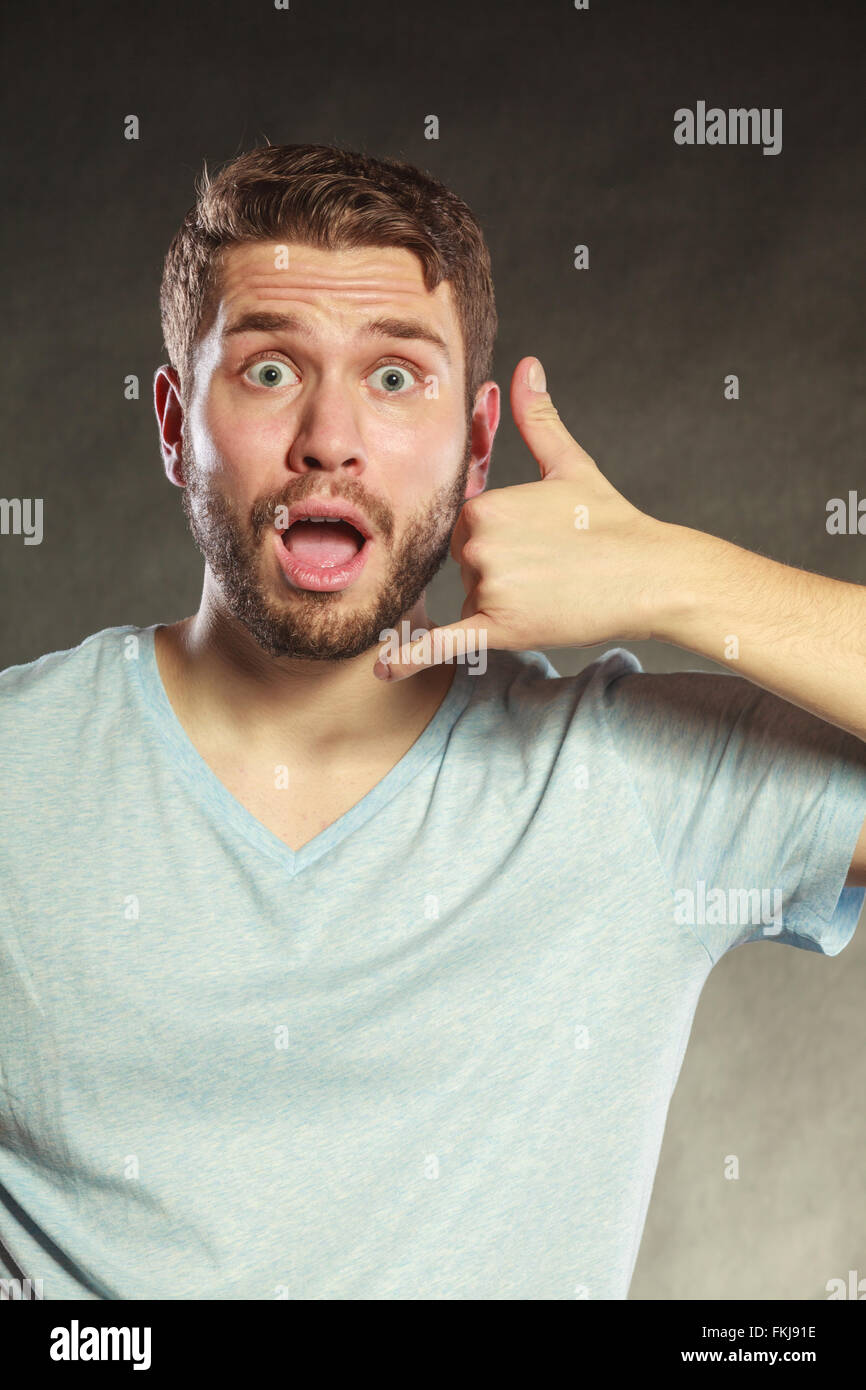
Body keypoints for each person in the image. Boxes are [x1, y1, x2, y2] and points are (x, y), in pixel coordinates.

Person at [1, 143, 864, 1301]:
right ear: (172, 422)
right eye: (266, 369)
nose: (329, 436)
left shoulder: (628, 784)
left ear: (474, 442)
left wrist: (674, 580)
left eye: (395, 377)